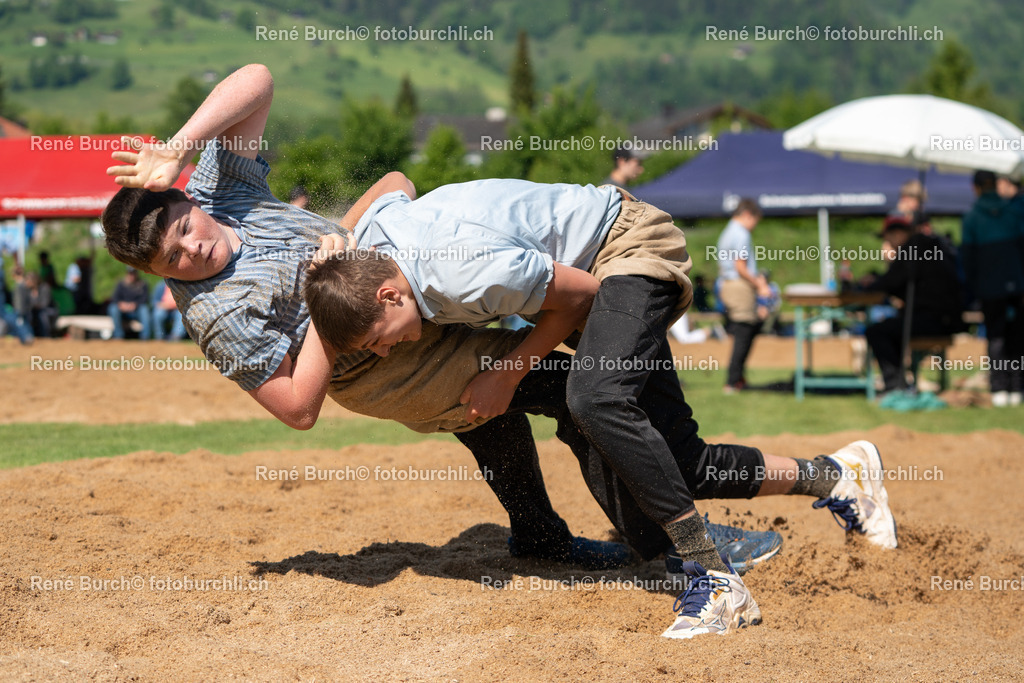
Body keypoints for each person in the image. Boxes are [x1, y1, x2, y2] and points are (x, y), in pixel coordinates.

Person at [102, 63, 711, 574]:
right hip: (374, 367)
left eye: (184, 229)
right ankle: (667, 546)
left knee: (496, 417)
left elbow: (257, 79)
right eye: (171, 260)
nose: (190, 251)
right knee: (561, 392)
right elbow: (297, 407)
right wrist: (327, 300)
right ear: (156, 274)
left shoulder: (218, 190)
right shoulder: (216, 314)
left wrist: (180, 143)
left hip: (392, 302)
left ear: (187, 198)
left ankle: (543, 534)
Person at [304, 178, 899, 639]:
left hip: (627, 246)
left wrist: (509, 373)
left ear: (389, 293)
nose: (387, 349)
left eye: (380, 337)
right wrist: (342, 237)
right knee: (680, 461)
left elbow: (582, 295)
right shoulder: (371, 251)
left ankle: (711, 577)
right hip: (595, 275)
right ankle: (839, 476)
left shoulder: (460, 275)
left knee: (593, 396)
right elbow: (394, 181)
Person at [863, 216, 963, 393]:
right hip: (946, 318)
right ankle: (900, 382)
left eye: (888, 238)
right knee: (891, 330)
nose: (888, 244)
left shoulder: (913, 249)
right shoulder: (927, 246)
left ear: (899, 233)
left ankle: (895, 385)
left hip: (933, 319)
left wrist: (864, 288)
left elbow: (890, 282)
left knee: (876, 331)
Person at [962, 170, 1024, 406]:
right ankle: (1017, 389)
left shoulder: (971, 218)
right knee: (1018, 337)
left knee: (996, 337)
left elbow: (967, 260)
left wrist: (973, 287)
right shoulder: (1015, 212)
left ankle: (999, 389)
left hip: (989, 289)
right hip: (1018, 286)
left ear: (975, 187)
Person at [715, 198, 770, 393]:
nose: (755, 226)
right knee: (744, 332)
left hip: (728, 285)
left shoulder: (728, 231)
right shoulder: (741, 234)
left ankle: (737, 378)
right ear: (747, 215)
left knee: (745, 330)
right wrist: (760, 284)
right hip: (739, 286)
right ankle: (733, 381)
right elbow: (741, 267)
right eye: (755, 220)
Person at [107, 267, 152, 340]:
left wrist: (135, 305)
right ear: (127, 274)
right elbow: (115, 298)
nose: (132, 276)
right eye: (130, 273)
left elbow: (145, 299)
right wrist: (121, 304)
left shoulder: (143, 284)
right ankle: (118, 336)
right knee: (113, 308)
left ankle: (145, 336)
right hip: (122, 311)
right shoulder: (121, 284)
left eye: (134, 274)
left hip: (136, 310)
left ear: (137, 274)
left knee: (144, 309)